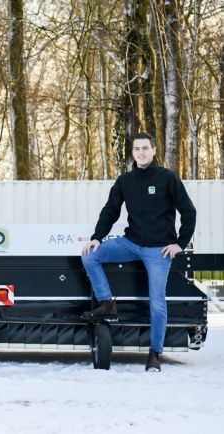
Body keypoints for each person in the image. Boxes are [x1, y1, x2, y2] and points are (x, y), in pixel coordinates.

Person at [81, 132, 196, 372]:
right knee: (90, 255)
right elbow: (110, 211)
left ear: (154, 150)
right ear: (132, 153)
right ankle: (107, 303)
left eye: (145, 148)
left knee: (157, 303)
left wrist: (180, 244)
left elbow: (189, 211)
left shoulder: (167, 178)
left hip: (159, 250)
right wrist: (97, 237)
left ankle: (155, 353)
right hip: (131, 243)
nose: (141, 152)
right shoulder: (125, 181)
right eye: (137, 149)